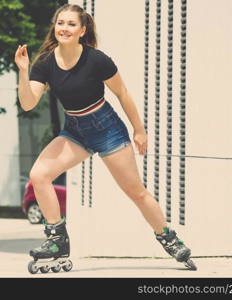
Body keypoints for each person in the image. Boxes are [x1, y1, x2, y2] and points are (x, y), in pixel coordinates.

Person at [14, 4, 192, 269]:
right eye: (60, 23)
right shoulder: (46, 63)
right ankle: (57, 240)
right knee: (39, 175)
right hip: (75, 130)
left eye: (71, 24)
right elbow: (28, 103)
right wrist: (23, 71)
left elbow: (123, 93)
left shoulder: (97, 59)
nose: (64, 28)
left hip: (107, 128)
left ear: (82, 30)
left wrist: (139, 130)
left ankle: (169, 238)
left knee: (136, 191)